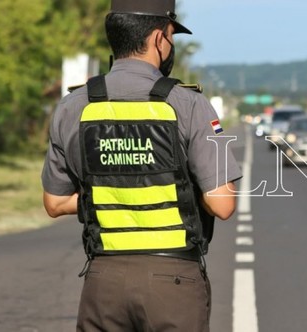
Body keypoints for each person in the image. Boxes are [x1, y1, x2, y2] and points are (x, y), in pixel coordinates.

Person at [41, 0, 242, 330]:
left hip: (103, 283)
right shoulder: (189, 104)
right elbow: (222, 204)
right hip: (173, 283)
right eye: (172, 37)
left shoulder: (72, 106)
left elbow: (55, 202)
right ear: (159, 38)